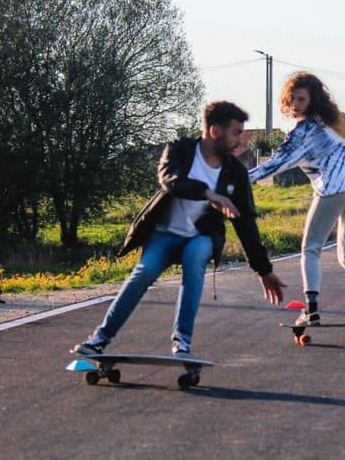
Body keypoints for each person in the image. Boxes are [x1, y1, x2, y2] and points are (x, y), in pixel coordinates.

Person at [74, 101, 286, 358]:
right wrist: (207, 193)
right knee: (144, 272)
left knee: (195, 258)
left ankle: (182, 342)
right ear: (215, 132)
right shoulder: (180, 150)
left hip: (201, 236)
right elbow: (169, 181)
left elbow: (246, 224)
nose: (240, 140)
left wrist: (263, 270)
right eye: (236, 132)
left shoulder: (235, 173)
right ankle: (99, 338)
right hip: (164, 233)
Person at [249, 71, 345, 327]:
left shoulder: (304, 129)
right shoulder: (338, 121)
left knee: (311, 248)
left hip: (333, 190)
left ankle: (312, 309)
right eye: (291, 99)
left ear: (312, 101)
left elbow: (277, 163)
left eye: (301, 100)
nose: (294, 105)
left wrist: (240, 179)